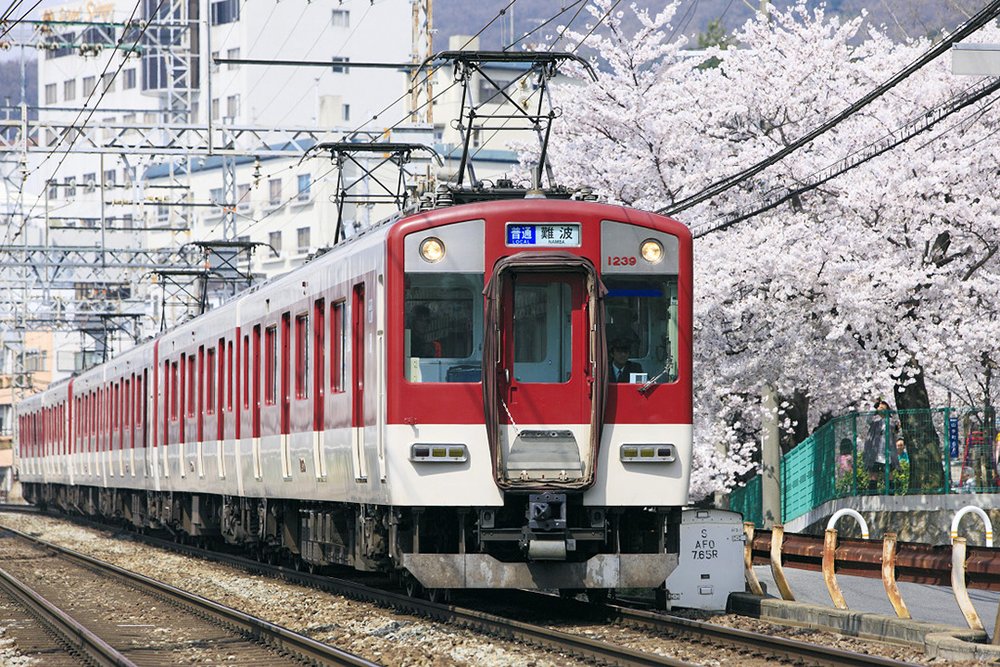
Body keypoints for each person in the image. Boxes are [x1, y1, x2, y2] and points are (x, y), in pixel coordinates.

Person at [862, 399, 899, 490]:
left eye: (883, 407)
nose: (880, 409)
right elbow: (868, 419)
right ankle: (872, 491)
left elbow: (894, 429)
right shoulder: (875, 421)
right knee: (873, 472)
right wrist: (874, 408)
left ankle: (890, 491)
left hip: (887, 452)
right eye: (879, 407)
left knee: (889, 472)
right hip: (875, 452)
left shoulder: (890, 421)